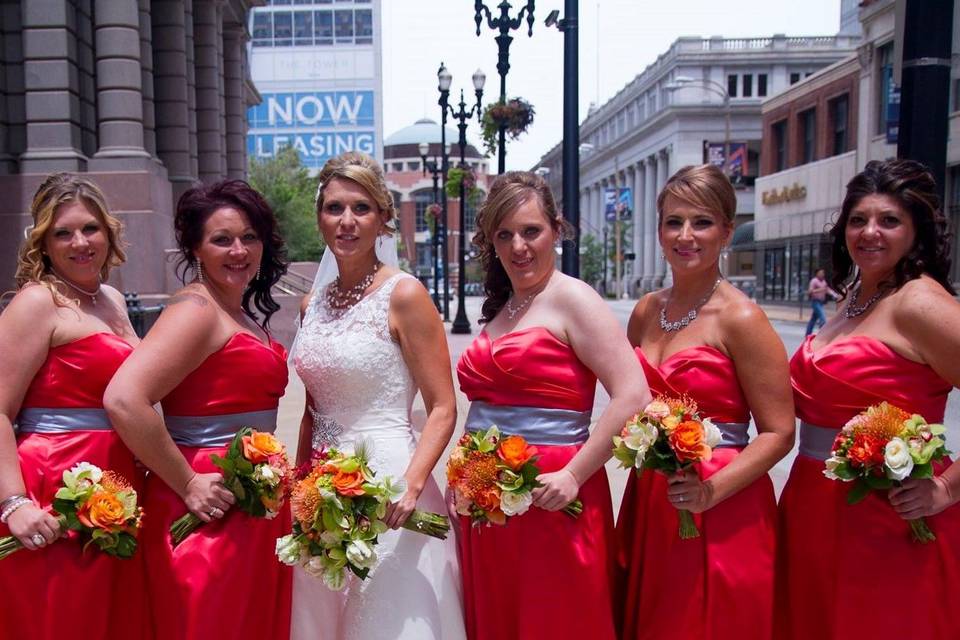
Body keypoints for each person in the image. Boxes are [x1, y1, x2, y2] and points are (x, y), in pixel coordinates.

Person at [456, 171, 651, 640]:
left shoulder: (573, 298)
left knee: (557, 619)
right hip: (491, 503)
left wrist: (574, 474)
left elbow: (634, 394)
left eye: (531, 231)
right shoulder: (506, 308)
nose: (519, 247)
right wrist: (463, 476)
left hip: (554, 494)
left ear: (555, 231)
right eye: (504, 235)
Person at [777, 159, 960, 639]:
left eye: (889, 220)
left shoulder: (920, 303)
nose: (869, 232)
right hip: (813, 504)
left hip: (887, 514)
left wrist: (946, 489)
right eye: (858, 220)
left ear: (916, 231)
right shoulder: (857, 296)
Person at [103, 180, 291, 640]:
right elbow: (124, 398)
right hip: (208, 503)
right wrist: (187, 482)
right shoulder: (196, 310)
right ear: (195, 247)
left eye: (249, 237)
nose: (238, 250)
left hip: (248, 504)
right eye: (221, 239)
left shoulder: (237, 310)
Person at [289, 152, 464, 640]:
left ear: (383, 218)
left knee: (385, 615)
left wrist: (411, 484)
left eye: (361, 208)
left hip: (390, 483)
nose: (346, 221)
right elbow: (310, 411)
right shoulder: (311, 304)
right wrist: (300, 493)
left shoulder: (405, 296)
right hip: (320, 487)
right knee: (325, 614)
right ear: (320, 216)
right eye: (334, 208)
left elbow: (443, 407)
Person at [617, 164, 795, 640]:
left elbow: (779, 431)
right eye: (673, 222)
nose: (686, 235)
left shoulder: (741, 317)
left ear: (727, 232)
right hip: (653, 496)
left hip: (723, 500)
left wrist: (711, 491)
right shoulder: (646, 310)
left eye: (702, 222)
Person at [0, 173, 148, 640]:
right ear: (43, 243)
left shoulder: (112, 300)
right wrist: (14, 504)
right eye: (62, 233)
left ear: (109, 231)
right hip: (54, 492)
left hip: (117, 485)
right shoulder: (36, 303)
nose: (80, 243)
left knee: (111, 621)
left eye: (90, 228)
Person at [805, 268, 837, 336]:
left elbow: (827, 289)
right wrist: (820, 289)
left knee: (813, 320)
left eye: (823, 273)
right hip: (815, 302)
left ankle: (808, 334)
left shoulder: (823, 282)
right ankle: (822, 335)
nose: (822, 274)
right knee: (822, 318)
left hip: (821, 302)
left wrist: (835, 294)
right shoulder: (814, 281)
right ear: (817, 274)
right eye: (821, 273)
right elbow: (810, 291)